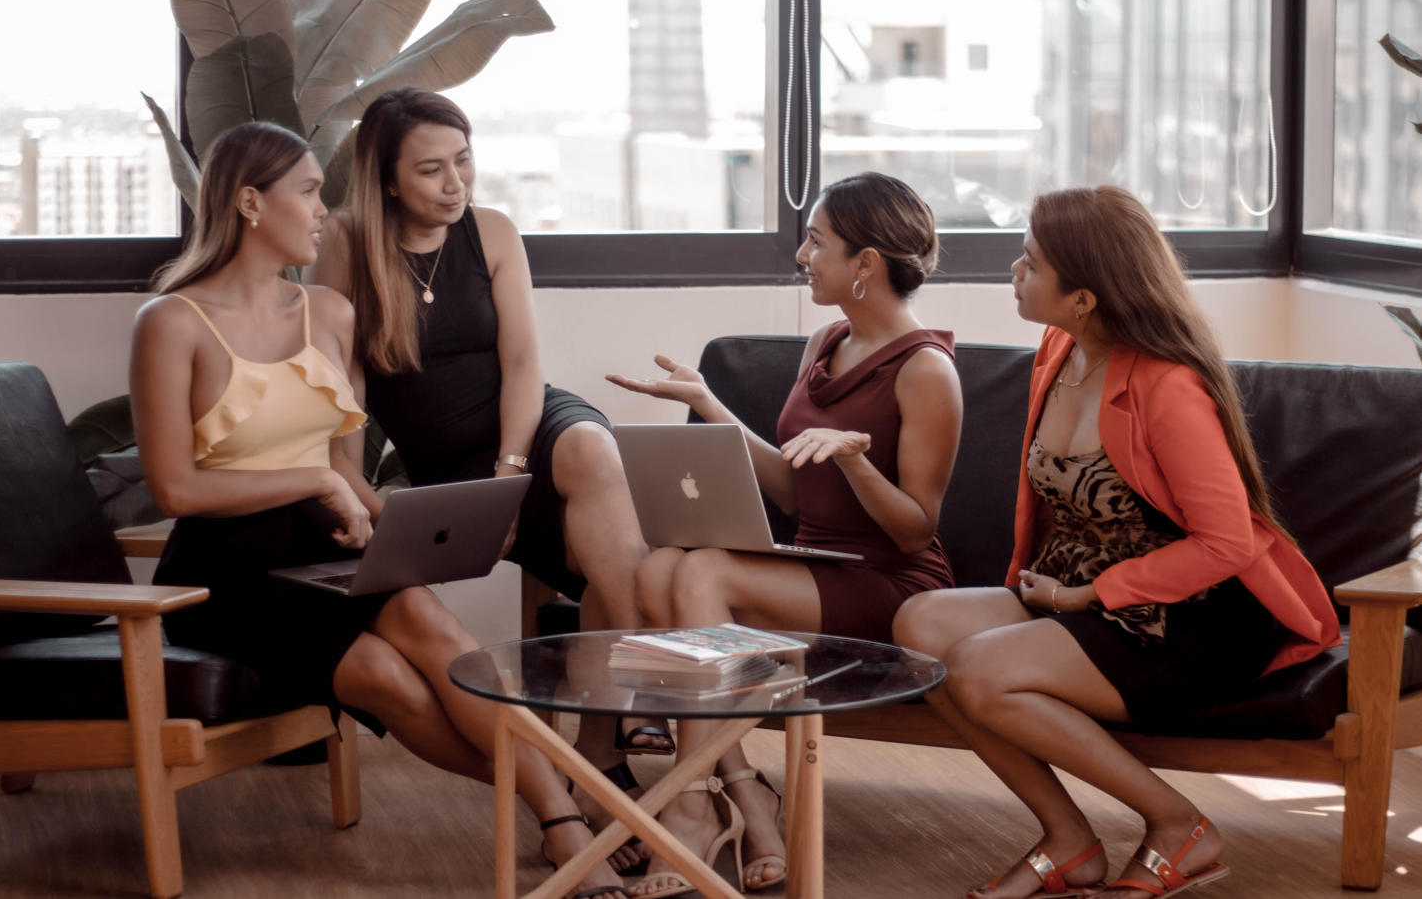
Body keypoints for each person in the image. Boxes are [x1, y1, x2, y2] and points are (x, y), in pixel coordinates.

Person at [132, 121, 627, 899]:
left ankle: (562, 814)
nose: (326, 210)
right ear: (251, 203)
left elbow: (340, 466)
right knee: (384, 680)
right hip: (225, 573)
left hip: (322, 543)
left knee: (435, 631)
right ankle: (570, 811)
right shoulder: (169, 324)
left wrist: (388, 519)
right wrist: (317, 487)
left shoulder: (326, 311)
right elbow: (177, 491)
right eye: (307, 192)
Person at [892, 185, 1341, 899]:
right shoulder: (1058, 348)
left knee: (978, 669)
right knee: (920, 626)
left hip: (1190, 613)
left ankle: (1178, 823)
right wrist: (1044, 585)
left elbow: (1224, 543)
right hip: (1082, 591)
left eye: (1031, 263)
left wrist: (1087, 594)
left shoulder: (1168, 386)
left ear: (1085, 297)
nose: (1015, 270)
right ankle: (1068, 838)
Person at [308, 87, 660, 873]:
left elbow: (525, 363)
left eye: (463, 160)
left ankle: (618, 724)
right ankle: (593, 771)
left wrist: (510, 474)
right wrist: (356, 490)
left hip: (526, 431)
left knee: (596, 459)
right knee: (614, 552)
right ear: (388, 179)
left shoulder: (492, 232)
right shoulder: (350, 244)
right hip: (445, 470)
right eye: (430, 169)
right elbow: (345, 394)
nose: (454, 183)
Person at [607, 172, 964, 896]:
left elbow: (914, 529)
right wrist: (710, 405)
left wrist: (857, 462)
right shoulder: (825, 342)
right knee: (656, 572)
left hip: (887, 582)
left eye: (817, 241)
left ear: (866, 263)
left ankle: (689, 808)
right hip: (817, 562)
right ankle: (746, 800)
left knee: (702, 573)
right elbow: (793, 486)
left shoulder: (927, 370)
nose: (804, 254)